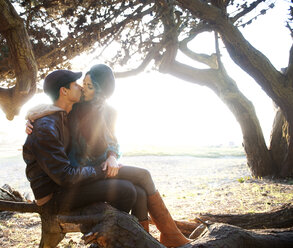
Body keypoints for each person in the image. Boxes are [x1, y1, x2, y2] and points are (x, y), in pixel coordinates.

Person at [26, 65, 190, 247]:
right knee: (138, 180)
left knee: (141, 192)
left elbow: (112, 139)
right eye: (80, 84)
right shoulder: (68, 112)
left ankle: (147, 240)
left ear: (100, 91)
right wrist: (31, 117)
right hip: (69, 183)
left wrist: (112, 156)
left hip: (86, 173)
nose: (81, 87)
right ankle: (165, 234)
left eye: (88, 85)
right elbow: (51, 107)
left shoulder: (102, 111)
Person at [22, 69, 138, 216]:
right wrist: (102, 170)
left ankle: (157, 235)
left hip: (65, 186)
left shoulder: (64, 114)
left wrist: (111, 157)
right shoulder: (45, 127)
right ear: (64, 91)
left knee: (136, 190)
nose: (81, 87)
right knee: (126, 190)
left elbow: (47, 108)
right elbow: (65, 176)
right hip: (54, 197)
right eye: (76, 84)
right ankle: (107, 233)